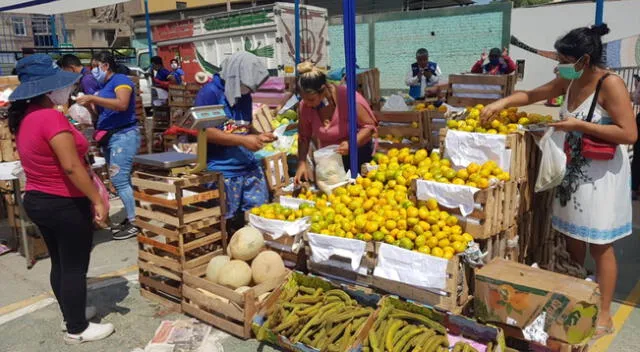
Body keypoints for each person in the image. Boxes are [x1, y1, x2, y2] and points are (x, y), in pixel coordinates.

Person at [481, 24, 636, 339]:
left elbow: (629, 133)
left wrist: (580, 124)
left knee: (600, 246)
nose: (559, 65)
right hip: (573, 175)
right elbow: (535, 94)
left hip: (601, 178)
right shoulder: (570, 78)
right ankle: (578, 298)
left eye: (564, 59)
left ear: (584, 59)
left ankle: (604, 313)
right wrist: (502, 103)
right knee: (572, 240)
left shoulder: (611, 84)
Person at [9, 54, 114, 344]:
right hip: (63, 202)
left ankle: (72, 313)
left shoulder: (27, 116)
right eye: (61, 85)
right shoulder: (50, 116)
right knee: (74, 267)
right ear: (47, 88)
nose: (67, 89)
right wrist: (98, 200)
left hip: (38, 199)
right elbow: (71, 166)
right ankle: (77, 328)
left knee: (61, 263)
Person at [194, 52, 275, 233]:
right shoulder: (210, 93)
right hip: (223, 169)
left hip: (247, 166)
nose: (251, 91)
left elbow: (243, 126)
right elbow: (205, 132)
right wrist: (244, 140)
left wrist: (259, 135)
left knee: (258, 217)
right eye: (248, 86)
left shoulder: (244, 96)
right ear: (236, 76)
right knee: (228, 225)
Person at [76, 51, 141, 240]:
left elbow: (122, 104)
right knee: (121, 180)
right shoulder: (105, 85)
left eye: (95, 66)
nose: (93, 71)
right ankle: (132, 216)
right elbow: (101, 114)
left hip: (124, 135)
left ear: (105, 65)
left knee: (119, 179)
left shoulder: (121, 80)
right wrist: (89, 105)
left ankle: (135, 221)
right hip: (112, 136)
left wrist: (93, 98)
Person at [294, 61, 378, 183]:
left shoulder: (348, 98)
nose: (307, 103)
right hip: (330, 161)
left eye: (311, 99)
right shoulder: (305, 106)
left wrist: (352, 143)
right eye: (303, 99)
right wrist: (301, 163)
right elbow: (304, 137)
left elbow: (369, 127)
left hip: (357, 157)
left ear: (323, 91)